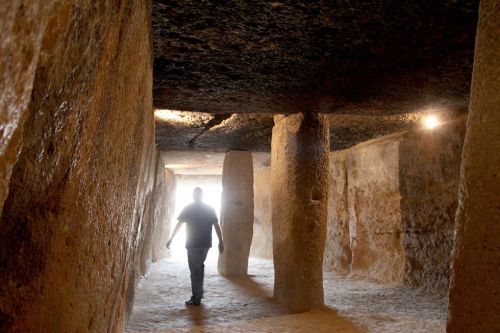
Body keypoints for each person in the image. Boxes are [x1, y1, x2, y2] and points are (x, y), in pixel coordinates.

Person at [166, 187, 224, 305]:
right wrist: (221, 241)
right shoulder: (209, 209)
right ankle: (199, 292)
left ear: (193, 196)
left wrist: (171, 238)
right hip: (205, 244)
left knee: (194, 271)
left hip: (193, 244)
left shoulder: (188, 208)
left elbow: (179, 224)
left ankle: (196, 298)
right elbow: (216, 226)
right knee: (200, 266)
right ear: (202, 196)